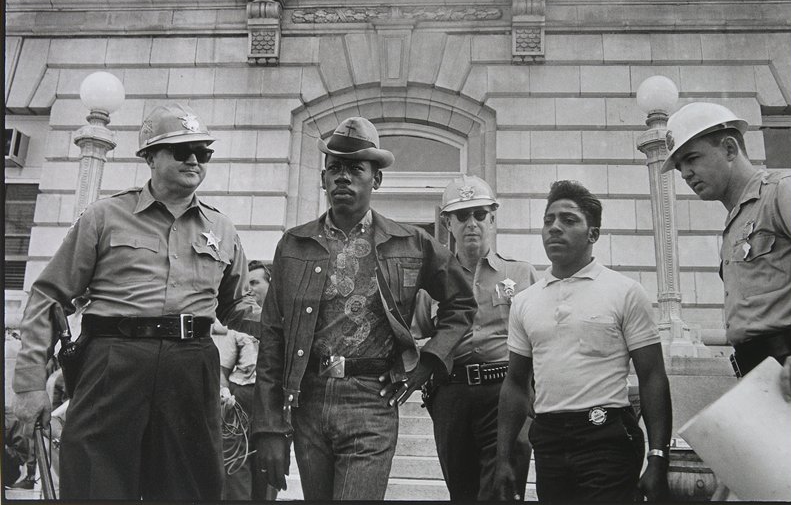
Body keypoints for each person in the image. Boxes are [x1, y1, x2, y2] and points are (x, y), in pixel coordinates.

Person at [12, 102, 261, 500]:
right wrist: (29, 384)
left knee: (190, 488)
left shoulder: (222, 228)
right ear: (150, 156)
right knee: (96, 483)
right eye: (182, 151)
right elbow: (49, 295)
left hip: (191, 366)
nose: (195, 160)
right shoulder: (104, 216)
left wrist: (284, 324)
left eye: (203, 152)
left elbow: (239, 306)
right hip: (114, 361)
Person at [251, 116, 477, 500]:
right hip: (309, 399)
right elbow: (273, 336)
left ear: (377, 179)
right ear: (323, 178)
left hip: (372, 400)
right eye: (335, 168)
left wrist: (425, 364)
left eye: (356, 169)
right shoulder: (294, 245)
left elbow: (461, 303)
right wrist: (270, 427)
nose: (343, 177)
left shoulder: (411, 243)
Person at [494, 180, 672, 502]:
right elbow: (516, 383)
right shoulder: (524, 302)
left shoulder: (624, 292)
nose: (554, 228)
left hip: (607, 438)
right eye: (548, 220)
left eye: (569, 220)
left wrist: (658, 456)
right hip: (549, 442)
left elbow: (652, 376)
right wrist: (503, 458)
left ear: (593, 234)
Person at [414, 175, 537, 501]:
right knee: (463, 494)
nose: (472, 223)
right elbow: (418, 336)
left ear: (492, 218)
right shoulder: (431, 283)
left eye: (480, 214)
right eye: (462, 215)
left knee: (502, 492)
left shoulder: (520, 274)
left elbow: (540, 339)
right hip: (452, 396)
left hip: (506, 392)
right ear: (447, 222)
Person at [662, 102, 791, 379]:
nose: (685, 173)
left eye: (692, 158)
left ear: (729, 149)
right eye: (679, 167)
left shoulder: (782, 190)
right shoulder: (736, 222)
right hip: (761, 371)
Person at [219, 260, 279, 501]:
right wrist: (225, 394)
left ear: (271, 285)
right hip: (242, 396)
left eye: (254, 283)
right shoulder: (238, 322)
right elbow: (223, 369)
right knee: (235, 464)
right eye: (246, 285)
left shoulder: (286, 323)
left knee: (270, 466)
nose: (249, 290)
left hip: (273, 400)